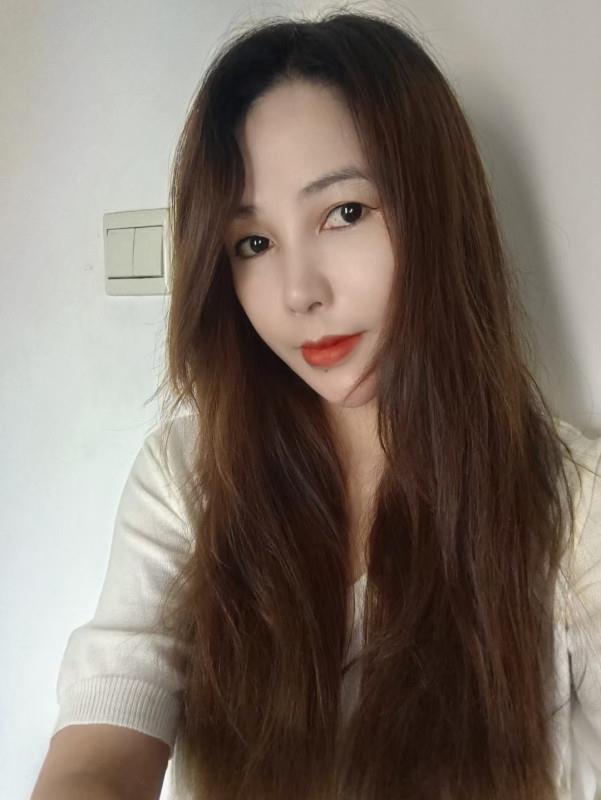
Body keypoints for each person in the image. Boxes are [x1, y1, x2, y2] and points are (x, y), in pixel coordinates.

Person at [31, 7, 601, 800]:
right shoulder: (188, 477)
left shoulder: (575, 508)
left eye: (344, 213)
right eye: (253, 243)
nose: (299, 292)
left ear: (436, 211)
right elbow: (100, 748)